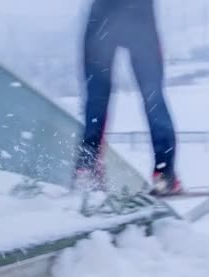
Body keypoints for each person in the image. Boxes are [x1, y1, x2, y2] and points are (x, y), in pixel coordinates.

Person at [73, 0, 182, 196]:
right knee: (153, 96)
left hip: (103, 14)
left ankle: (87, 170)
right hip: (138, 15)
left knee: (97, 96)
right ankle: (164, 174)